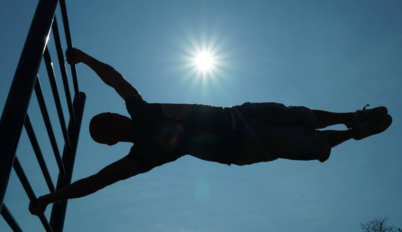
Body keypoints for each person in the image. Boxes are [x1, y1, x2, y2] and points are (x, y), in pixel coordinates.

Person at [29, 48, 392, 216]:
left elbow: (116, 80)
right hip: (243, 145)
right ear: (110, 140)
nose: (112, 118)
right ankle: (355, 134)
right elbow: (96, 182)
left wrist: (85, 58)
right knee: (304, 142)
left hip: (239, 113)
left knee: (296, 114)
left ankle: (351, 117)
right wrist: (50, 198)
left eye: (107, 114)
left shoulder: (139, 109)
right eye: (106, 125)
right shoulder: (141, 155)